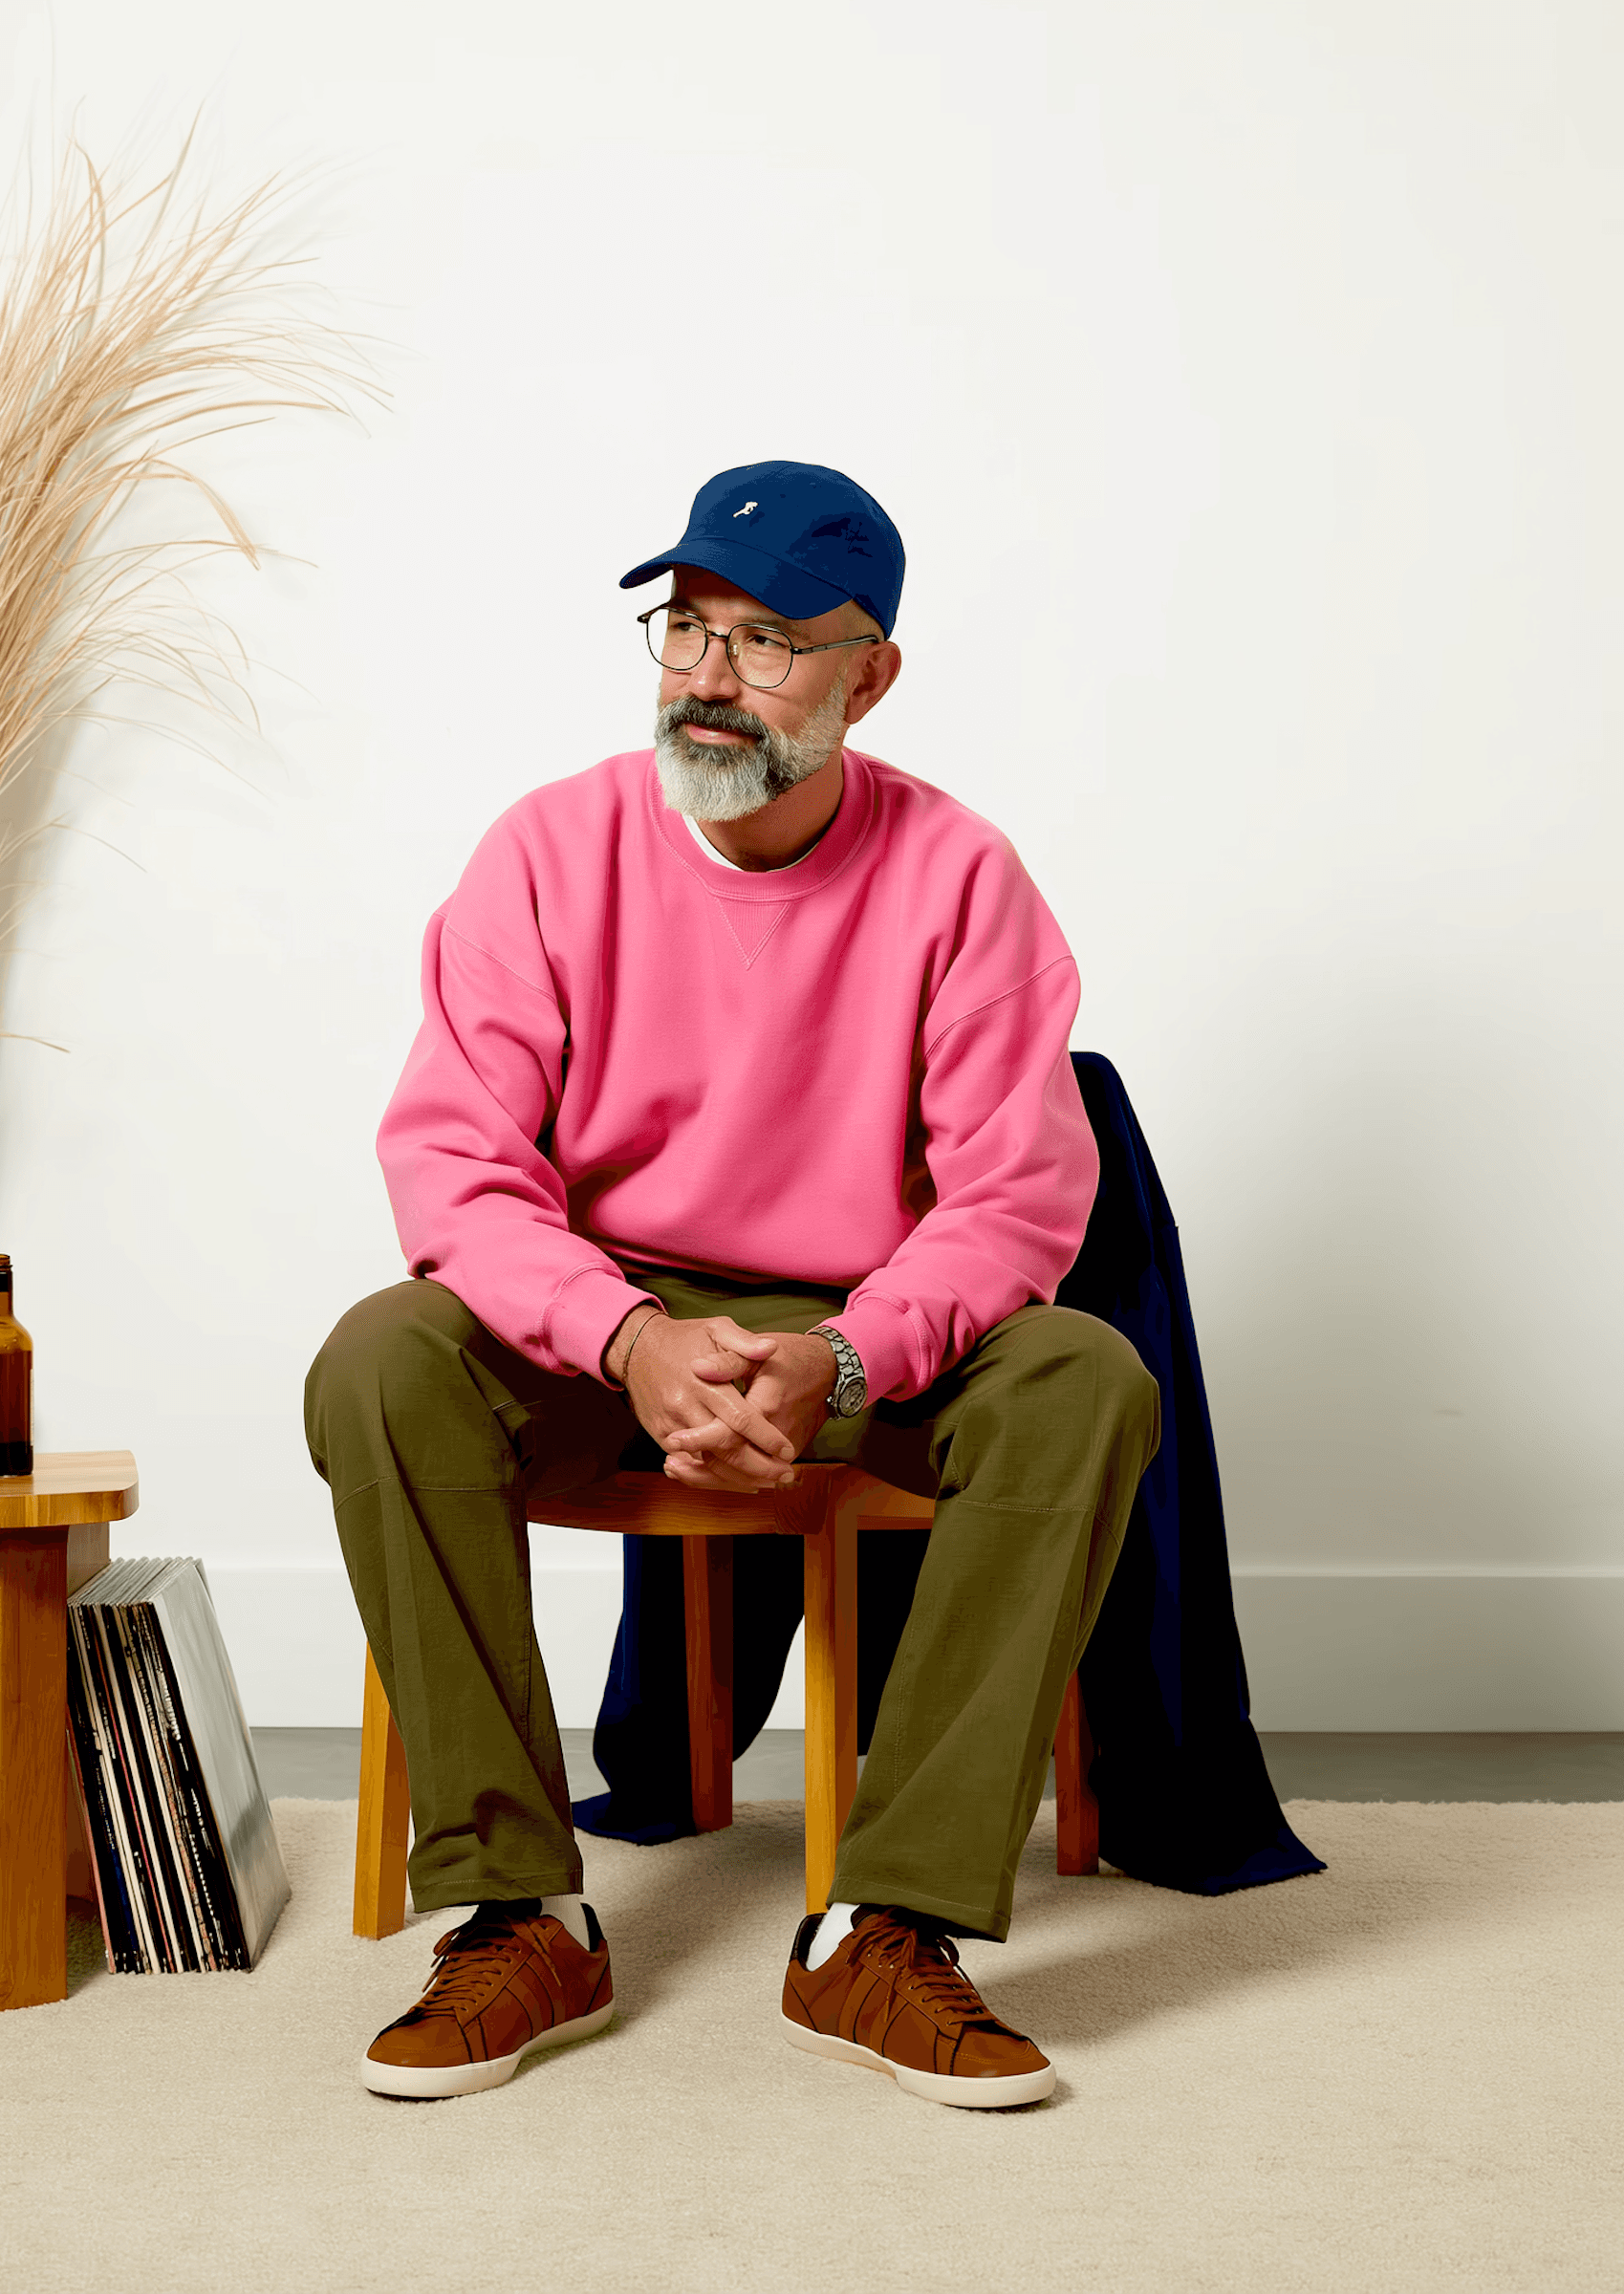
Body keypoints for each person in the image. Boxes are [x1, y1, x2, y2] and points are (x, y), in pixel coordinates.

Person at [304, 462, 1159, 2109]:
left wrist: (845, 1360)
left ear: (869, 673)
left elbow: (1016, 1202)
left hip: (857, 1329)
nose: (706, 676)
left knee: (1086, 1380)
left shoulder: (964, 879)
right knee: (380, 1358)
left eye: (767, 641)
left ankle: (885, 1931)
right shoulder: (545, 853)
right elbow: (458, 1172)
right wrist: (625, 1341)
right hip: (597, 1315)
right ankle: (517, 1909)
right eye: (686, 627)